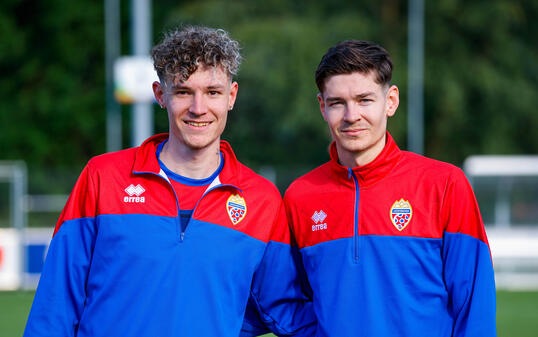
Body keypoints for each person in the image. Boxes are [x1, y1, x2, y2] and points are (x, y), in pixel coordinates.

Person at [24, 25, 315, 337]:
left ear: (231, 96)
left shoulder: (261, 200)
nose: (198, 108)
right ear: (160, 94)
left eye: (212, 92)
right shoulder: (103, 176)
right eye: (183, 91)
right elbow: (56, 301)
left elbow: (283, 310)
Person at [284, 40, 496, 336]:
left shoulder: (445, 184)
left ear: (391, 101)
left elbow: (475, 306)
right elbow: (289, 301)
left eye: (364, 100)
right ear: (322, 106)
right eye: (337, 103)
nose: (351, 116)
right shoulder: (300, 196)